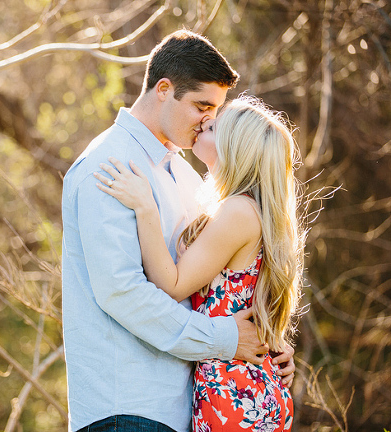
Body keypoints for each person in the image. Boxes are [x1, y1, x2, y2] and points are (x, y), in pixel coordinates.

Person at [60, 30, 293, 432]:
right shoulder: (108, 166)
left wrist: (266, 341)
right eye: (202, 106)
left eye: (216, 112)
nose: (207, 120)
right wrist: (225, 338)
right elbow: (124, 291)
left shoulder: (184, 175)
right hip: (127, 409)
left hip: (189, 408)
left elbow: (222, 277)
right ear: (164, 89)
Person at [96, 95, 300, 431]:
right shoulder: (240, 210)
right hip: (236, 387)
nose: (203, 125)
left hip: (236, 393)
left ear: (234, 147)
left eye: (213, 127)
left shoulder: (238, 211)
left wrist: (145, 207)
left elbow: (171, 284)